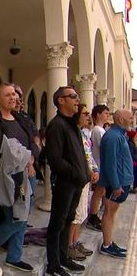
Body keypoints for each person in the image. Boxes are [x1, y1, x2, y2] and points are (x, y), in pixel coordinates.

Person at [45, 86, 90, 276]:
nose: (77, 100)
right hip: (65, 183)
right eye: (73, 96)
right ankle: (53, 265)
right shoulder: (56, 125)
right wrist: (76, 173)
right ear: (61, 100)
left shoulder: (71, 124)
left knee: (68, 220)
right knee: (57, 223)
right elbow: (55, 160)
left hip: (76, 182)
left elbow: (79, 153)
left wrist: (84, 173)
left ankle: (63, 258)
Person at [0, 83, 34, 272]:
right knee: (15, 218)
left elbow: (33, 142)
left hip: (26, 174)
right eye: (8, 95)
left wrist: (31, 161)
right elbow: (3, 149)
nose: (13, 98)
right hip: (8, 177)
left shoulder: (20, 119)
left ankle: (14, 256)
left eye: (14, 95)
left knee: (23, 218)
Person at [98, 109, 134, 258]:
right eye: (130, 117)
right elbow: (110, 164)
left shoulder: (119, 135)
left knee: (112, 213)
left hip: (121, 182)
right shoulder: (113, 136)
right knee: (108, 213)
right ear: (120, 119)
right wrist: (116, 185)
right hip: (116, 184)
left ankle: (109, 242)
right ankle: (106, 245)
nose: (132, 120)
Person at [67, 104, 99, 262]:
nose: (88, 116)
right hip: (78, 178)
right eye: (85, 113)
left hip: (86, 178)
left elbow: (89, 156)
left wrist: (95, 169)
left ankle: (75, 241)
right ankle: (69, 245)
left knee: (81, 213)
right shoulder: (73, 134)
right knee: (76, 214)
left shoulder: (84, 134)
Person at [87, 104, 110, 231]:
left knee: (101, 192)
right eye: (105, 113)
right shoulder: (97, 130)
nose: (107, 116)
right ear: (98, 115)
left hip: (102, 165)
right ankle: (93, 215)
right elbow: (104, 148)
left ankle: (95, 213)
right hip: (99, 165)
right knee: (98, 192)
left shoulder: (101, 130)